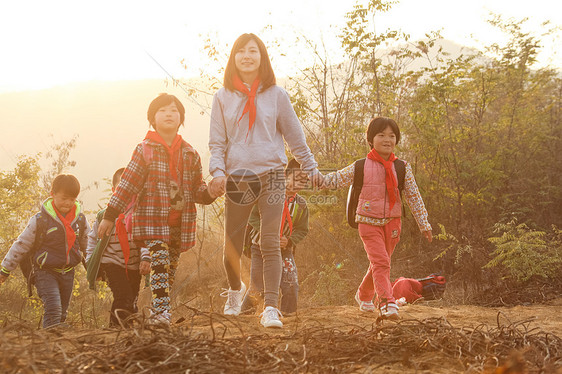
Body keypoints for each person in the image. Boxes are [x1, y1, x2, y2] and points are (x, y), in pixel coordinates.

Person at [208, 33, 321, 328]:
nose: (247, 56)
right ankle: (235, 290)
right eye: (241, 51)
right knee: (231, 246)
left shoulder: (277, 95)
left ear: (262, 57)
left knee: (270, 242)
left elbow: (296, 138)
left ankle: (271, 307)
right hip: (238, 178)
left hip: (272, 175)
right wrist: (218, 173)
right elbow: (217, 143)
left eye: (253, 51)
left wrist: (311, 168)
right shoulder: (222, 97)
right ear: (233, 58)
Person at [97, 93, 218, 325]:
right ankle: (162, 313)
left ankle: (155, 313)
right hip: (152, 223)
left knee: (169, 271)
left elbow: (197, 190)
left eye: (174, 110)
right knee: (160, 261)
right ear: (152, 119)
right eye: (162, 110)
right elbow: (127, 184)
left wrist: (211, 192)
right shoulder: (144, 150)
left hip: (179, 224)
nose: (169, 114)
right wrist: (110, 216)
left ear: (181, 118)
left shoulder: (190, 153)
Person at [321, 117, 432, 320]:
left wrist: (424, 223)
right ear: (371, 139)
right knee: (381, 262)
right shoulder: (361, 166)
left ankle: (363, 295)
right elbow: (336, 179)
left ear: (397, 140)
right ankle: (386, 302)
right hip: (367, 221)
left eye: (392, 136)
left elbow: (414, 197)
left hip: (393, 223)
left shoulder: (402, 167)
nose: (387, 139)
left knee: (379, 263)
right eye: (381, 135)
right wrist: (315, 177)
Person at [0, 174, 90, 329]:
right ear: (52, 194)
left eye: (72, 199)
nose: (68, 203)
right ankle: (48, 346)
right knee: (53, 309)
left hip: (68, 273)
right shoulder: (40, 220)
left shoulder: (80, 220)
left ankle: (56, 347)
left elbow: (88, 246)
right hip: (44, 272)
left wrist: (95, 269)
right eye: (64, 198)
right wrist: (5, 269)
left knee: (62, 313)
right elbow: (21, 244)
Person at [240, 159, 309, 315]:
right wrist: (268, 232)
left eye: (304, 181)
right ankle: (243, 316)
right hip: (260, 247)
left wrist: (289, 240)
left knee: (291, 284)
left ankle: (288, 317)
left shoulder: (301, 204)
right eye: (296, 179)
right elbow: (252, 217)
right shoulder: (266, 195)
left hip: (285, 250)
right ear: (285, 175)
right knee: (258, 287)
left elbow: (302, 229)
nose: (299, 184)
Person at [86, 168, 151, 327]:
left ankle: (128, 327)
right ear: (115, 190)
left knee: (133, 298)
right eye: (122, 187)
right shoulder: (105, 216)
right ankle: (116, 328)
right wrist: (92, 263)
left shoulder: (140, 214)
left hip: (134, 265)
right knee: (123, 295)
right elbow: (93, 239)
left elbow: (145, 239)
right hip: (112, 263)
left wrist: (146, 257)